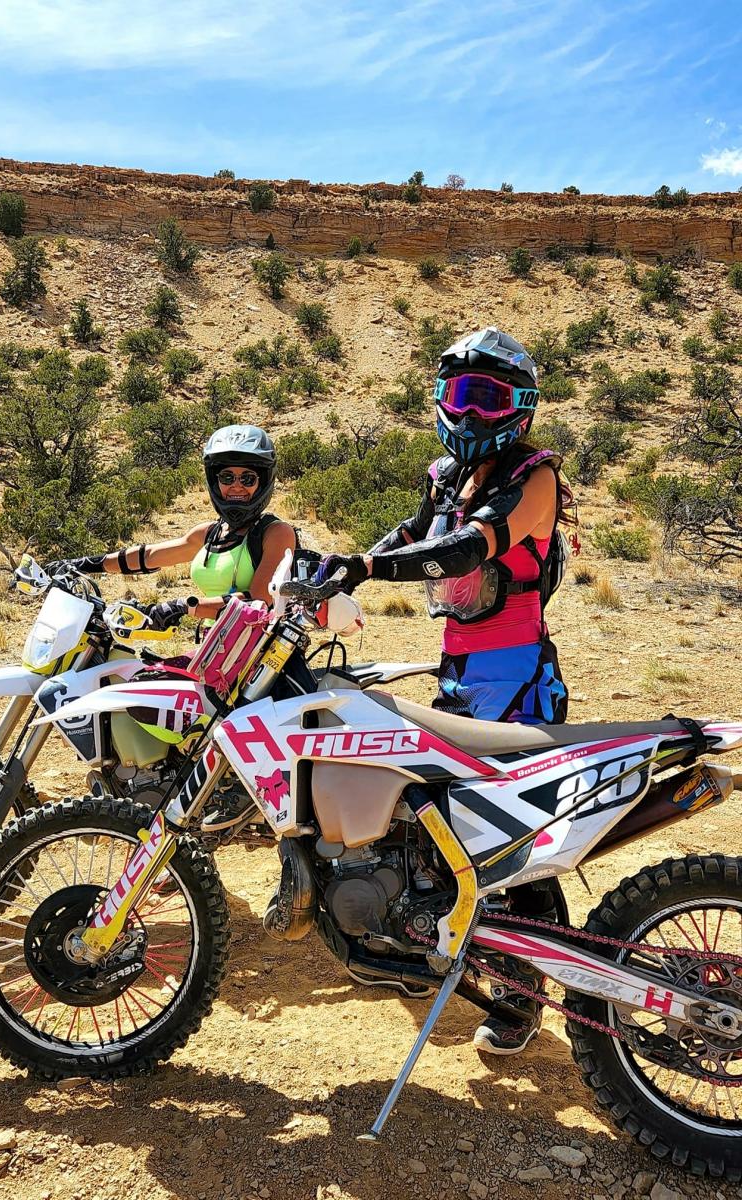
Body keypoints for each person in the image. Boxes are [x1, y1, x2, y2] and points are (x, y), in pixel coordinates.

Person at [316, 327, 574, 1055]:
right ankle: (424, 945)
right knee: (439, 825)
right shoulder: (447, 478)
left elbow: (465, 549)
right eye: (460, 394)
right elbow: (414, 536)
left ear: (520, 405)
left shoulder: (535, 478)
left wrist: (367, 568)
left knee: (517, 845)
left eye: (487, 397)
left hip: (516, 675)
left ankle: (523, 1000)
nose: (470, 412)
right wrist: (339, 564)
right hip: (459, 669)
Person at [50, 423, 296, 832]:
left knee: (151, 698)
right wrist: (84, 564)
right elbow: (147, 557)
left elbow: (258, 602)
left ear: (263, 482)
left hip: (254, 664)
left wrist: (184, 606)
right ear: (214, 481)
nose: (236, 486)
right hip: (216, 656)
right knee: (136, 684)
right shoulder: (211, 533)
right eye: (227, 476)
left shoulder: (274, 533)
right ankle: (161, 788)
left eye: (247, 478)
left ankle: (222, 794)